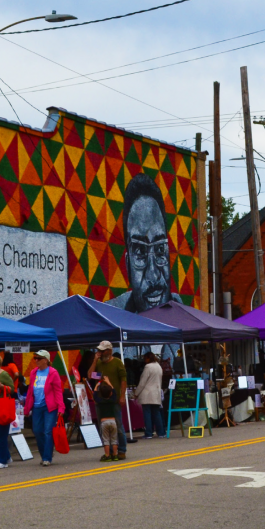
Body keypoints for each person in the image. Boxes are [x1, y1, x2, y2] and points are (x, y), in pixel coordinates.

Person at [107, 173, 183, 312]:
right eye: (140, 252)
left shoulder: (187, 320)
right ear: (127, 264)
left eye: (160, 249)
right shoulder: (109, 316)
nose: (153, 276)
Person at [88, 341, 128, 459]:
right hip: (101, 400)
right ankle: (109, 451)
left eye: (102, 351)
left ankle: (121, 450)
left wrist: (122, 396)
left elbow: (123, 380)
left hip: (114, 400)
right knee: (103, 426)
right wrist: (95, 360)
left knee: (118, 426)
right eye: (99, 350)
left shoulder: (117, 362)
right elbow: (91, 375)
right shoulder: (99, 363)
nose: (100, 353)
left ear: (109, 351)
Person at [24, 350, 65, 466]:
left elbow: (58, 391)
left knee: (47, 431)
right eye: (35, 358)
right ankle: (44, 454)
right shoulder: (33, 373)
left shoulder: (53, 373)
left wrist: (61, 408)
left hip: (49, 407)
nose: (36, 360)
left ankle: (47, 457)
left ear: (46, 360)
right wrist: (27, 408)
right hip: (36, 406)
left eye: (39, 358)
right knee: (37, 431)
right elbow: (30, 391)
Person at [134, 352, 165, 439]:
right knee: (156, 413)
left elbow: (142, 382)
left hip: (147, 393)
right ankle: (161, 432)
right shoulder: (158, 366)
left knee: (147, 413)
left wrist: (136, 393)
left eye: (145, 358)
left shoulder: (148, 367)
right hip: (156, 392)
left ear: (148, 358)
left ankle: (149, 432)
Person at [94, 380, 121, 461]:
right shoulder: (112, 400)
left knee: (106, 440)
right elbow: (114, 391)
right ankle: (115, 455)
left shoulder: (100, 401)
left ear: (101, 394)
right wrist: (108, 382)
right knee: (114, 439)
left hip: (104, 422)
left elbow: (94, 394)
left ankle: (107, 455)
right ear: (111, 393)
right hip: (113, 421)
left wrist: (97, 385)